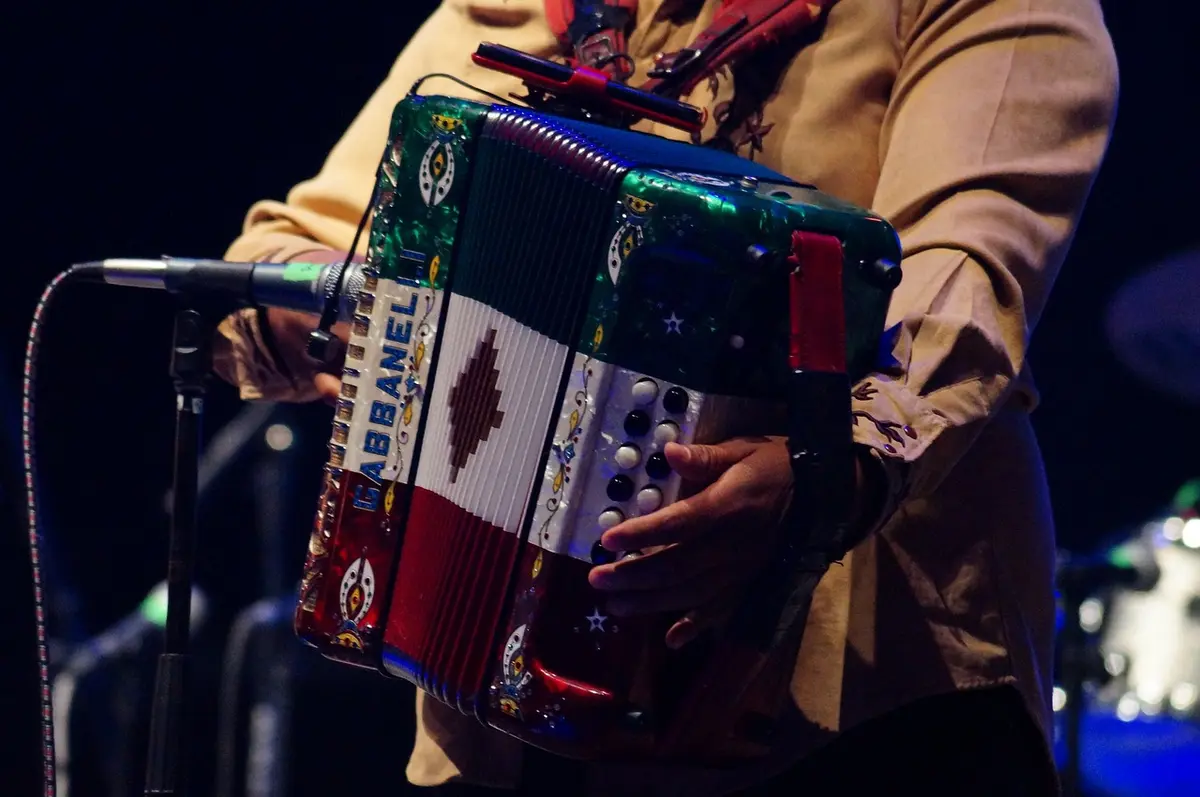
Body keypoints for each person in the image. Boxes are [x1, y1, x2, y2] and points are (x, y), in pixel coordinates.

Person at [212, 1, 1119, 794]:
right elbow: (297, 245)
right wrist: (326, 306)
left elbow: (963, 274)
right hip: (503, 706)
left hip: (860, 690)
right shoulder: (543, 7)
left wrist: (826, 469)